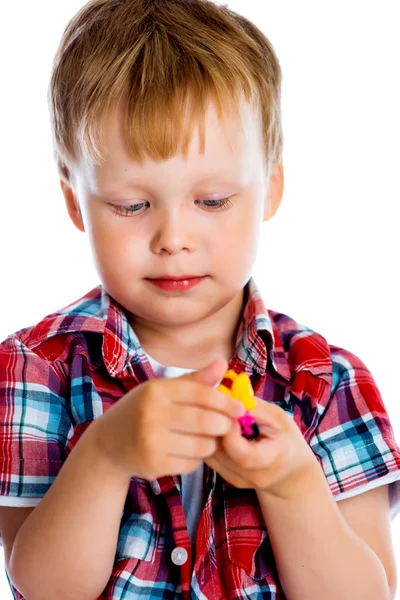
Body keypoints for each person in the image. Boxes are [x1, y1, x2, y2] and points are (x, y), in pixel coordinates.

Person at [0, 0, 399, 598]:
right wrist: (105, 456)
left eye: (212, 201)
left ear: (270, 188)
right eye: (132, 206)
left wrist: (291, 483)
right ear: (74, 203)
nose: (174, 240)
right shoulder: (37, 368)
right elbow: (42, 586)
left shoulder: (325, 381)